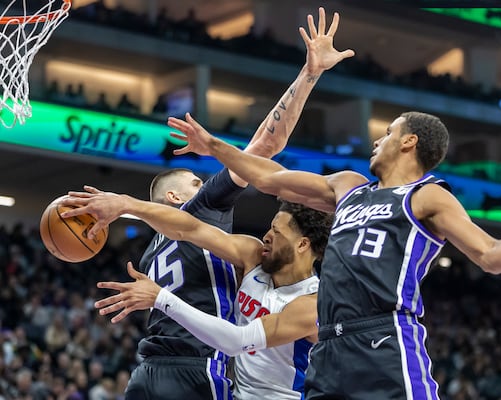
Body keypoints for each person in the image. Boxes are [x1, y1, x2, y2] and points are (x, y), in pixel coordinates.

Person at [162, 111, 501, 400]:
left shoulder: (426, 197)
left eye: (387, 133)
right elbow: (272, 179)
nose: (376, 138)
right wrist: (213, 146)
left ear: (409, 142)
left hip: (384, 339)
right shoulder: (348, 186)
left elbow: (490, 254)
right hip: (328, 347)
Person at [65, 7, 353, 400]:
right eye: (197, 182)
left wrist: (126, 207)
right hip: (198, 371)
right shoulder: (200, 209)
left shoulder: (153, 249)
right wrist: (309, 74)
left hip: (146, 370)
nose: (206, 185)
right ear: (175, 197)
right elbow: (264, 149)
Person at [61, 194, 332, 400]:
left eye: (277, 231)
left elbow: (237, 342)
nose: (267, 236)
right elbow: (190, 229)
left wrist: (161, 298)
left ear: (302, 244)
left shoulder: (312, 304)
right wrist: (126, 205)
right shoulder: (254, 255)